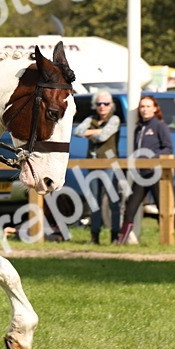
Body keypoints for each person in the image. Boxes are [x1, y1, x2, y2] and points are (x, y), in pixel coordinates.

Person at [116, 95, 174, 245]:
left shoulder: (160, 126)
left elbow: (168, 148)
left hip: (156, 173)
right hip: (141, 175)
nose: (145, 109)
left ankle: (167, 239)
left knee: (163, 207)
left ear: (155, 108)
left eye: (148, 106)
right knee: (130, 207)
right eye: (142, 106)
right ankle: (122, 240)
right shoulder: (139, 128)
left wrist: (152, 158)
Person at [73, 92, 122, 245]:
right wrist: (97, 131)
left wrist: (90, 133)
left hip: (109, 165)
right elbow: (77, 131)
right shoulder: (90, 119)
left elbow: (103, 137)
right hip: (92, 165)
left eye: (106, 104)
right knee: (94, 202)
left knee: (114, 201)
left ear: (111, 105)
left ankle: (115, 236)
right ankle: (95, 237)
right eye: (99, 103)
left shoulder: (114, 119)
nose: (102, 107)